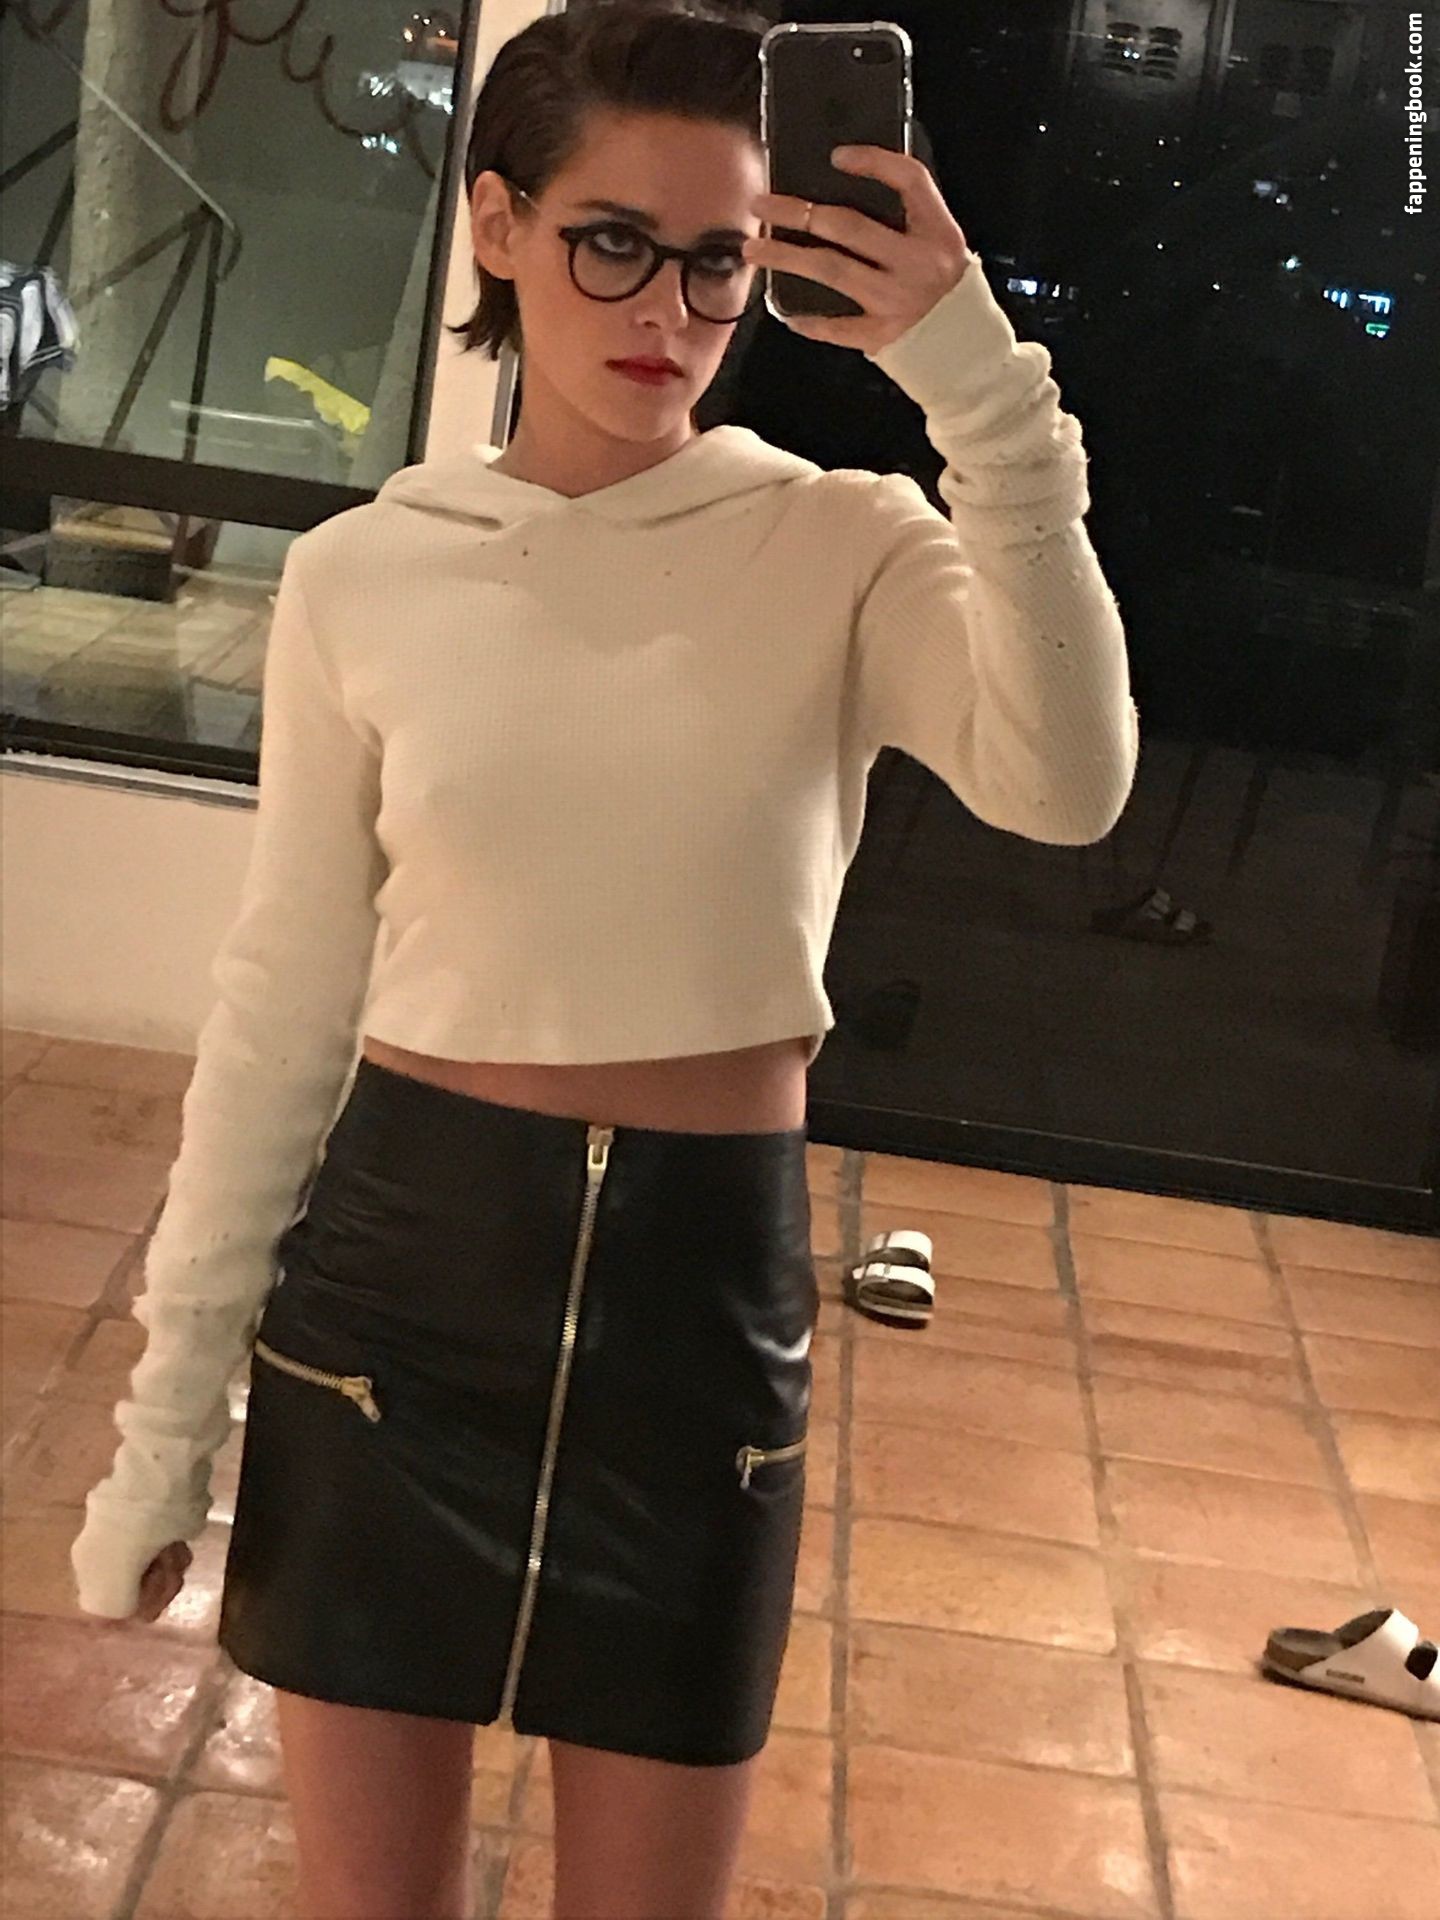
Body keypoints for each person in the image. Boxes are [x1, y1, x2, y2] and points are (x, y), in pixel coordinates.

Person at [67, 2, 1141, 1914]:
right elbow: (284, 1009)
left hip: (692, 1322)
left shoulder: (840, 544)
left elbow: (1066, 785)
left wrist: (980, 389)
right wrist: (167, 1428)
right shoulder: (366, 573)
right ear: (497, 223)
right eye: (612, 243)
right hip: (398, 1308)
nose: (669, 309)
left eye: (719, 258)